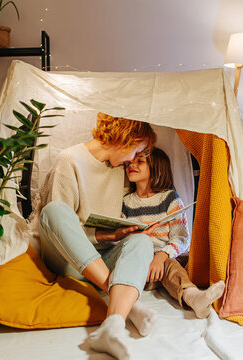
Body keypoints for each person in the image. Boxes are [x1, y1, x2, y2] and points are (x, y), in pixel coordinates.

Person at [38, 112, 157, 360]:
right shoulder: (68, 161)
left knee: (142, 241)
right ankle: (127, 303)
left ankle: (113, 324)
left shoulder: (117, 171)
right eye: (136, 151)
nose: (133, 159)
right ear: (125, 139)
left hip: (100, 258)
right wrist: (104, 236)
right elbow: (58, 226)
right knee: (54, 210)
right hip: (66, 259)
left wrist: (121, 232)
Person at [122, 147, 226, 318]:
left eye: (139, 161)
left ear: (157, 169)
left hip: (163, 261)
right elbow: (123, 236)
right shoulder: (126, 202)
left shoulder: (169, 198)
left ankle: (193, 297)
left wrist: (162, 255)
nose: (131, 165)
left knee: (173, 268)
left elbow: (182, 237)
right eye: (129, 162)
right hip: (138, 260)